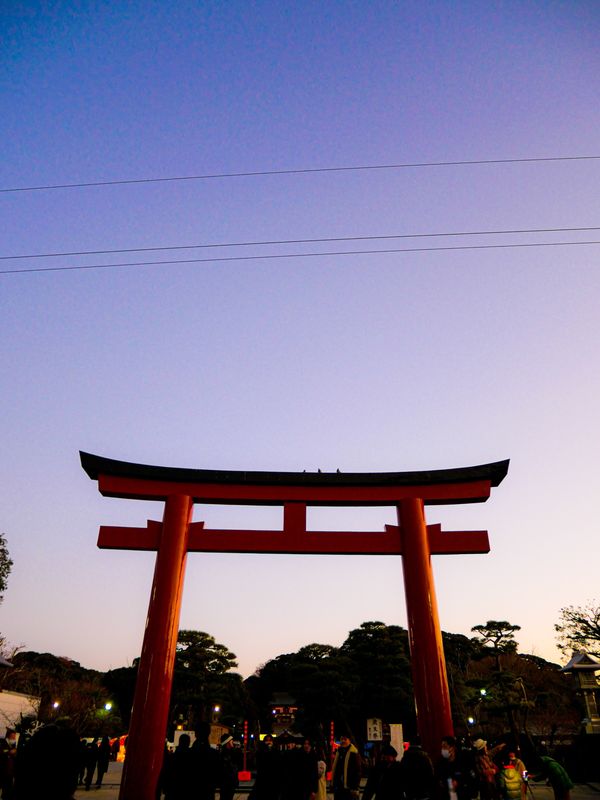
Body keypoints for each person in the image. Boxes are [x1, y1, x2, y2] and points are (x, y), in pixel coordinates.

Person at [435, 736, 477, 800]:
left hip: (464, 793)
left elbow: (471, 776)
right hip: (448, 795)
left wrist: (458, 782)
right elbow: (438, 778)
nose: (443, 749)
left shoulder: (463, 759)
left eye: (445, 747)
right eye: (442, 747)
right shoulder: (440, 762)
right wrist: (447, 783)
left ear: (452, 747)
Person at [190, 722, 221, 800]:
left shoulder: (189, 753)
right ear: (209, 733)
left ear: (196, 734)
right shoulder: (214, 754)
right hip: (208, 792)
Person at [331, 733, 361, 800]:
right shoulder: (339, 751)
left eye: (345, 739)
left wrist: (355, 787)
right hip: (339, 786)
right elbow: (336, 769)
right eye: (341, 739)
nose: (343, 741)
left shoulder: (354, 753)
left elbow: (358, 771)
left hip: (349, 787)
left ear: (349, 740)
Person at [253, 734, 282, 800]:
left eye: (270, 740)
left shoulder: (276, 750)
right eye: (267, 740)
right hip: (263, 776)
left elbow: (278, 761)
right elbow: (258, 761)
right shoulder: (260, 751)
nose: (269, 742)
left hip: (273, 777)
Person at [219, 733, 239, 800]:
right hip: (227, 783)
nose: (232, 741)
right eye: (231, 740)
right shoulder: (224, 755)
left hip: (231, 783)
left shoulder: (232, 752)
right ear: (227, 742)